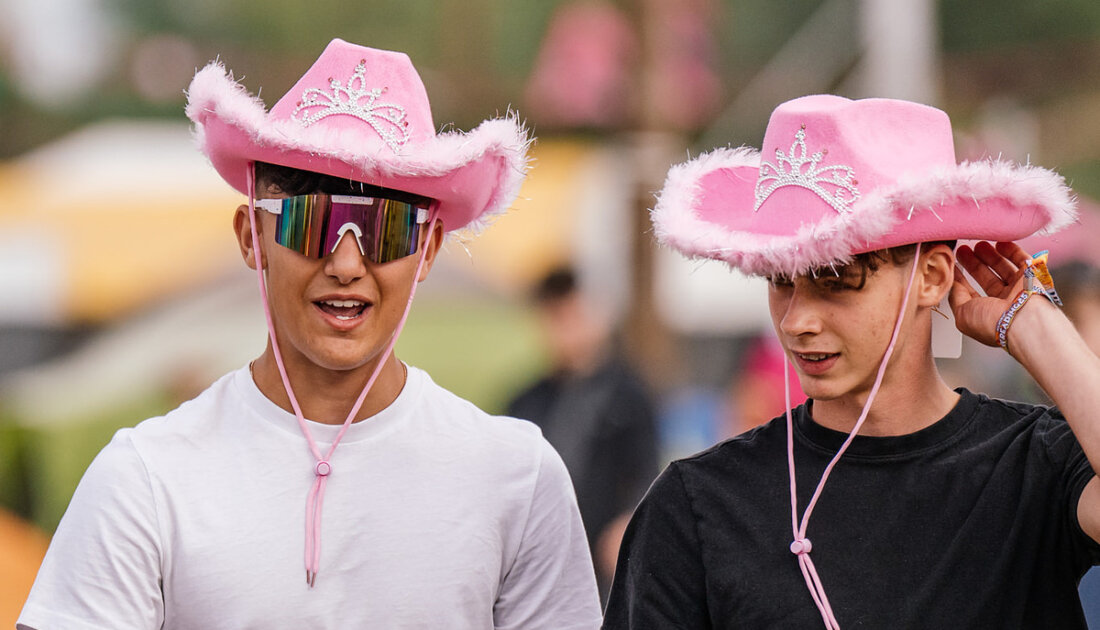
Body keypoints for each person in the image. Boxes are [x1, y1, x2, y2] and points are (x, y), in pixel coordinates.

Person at [18, 39, 602, 629]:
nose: (347, 264)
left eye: (386, 228)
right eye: (311, 220)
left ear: (427, 250)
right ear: (252, 236)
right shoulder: (145, 477)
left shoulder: (516, 480)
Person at [602, 94, 1100, 628]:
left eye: (837, 283)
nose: (796, 321)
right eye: (780, 281)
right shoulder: (698, 504)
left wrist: (1034, 325)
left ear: (931, 278)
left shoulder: (1038, 464)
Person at [506, 266, 659, 601]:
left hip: (601, 557)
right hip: (537, 555)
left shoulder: (630, 395)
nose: (566, 328)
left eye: (573, 314)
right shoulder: (525, 402)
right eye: (556, 317)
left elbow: (647, 468)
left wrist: (630, 520)